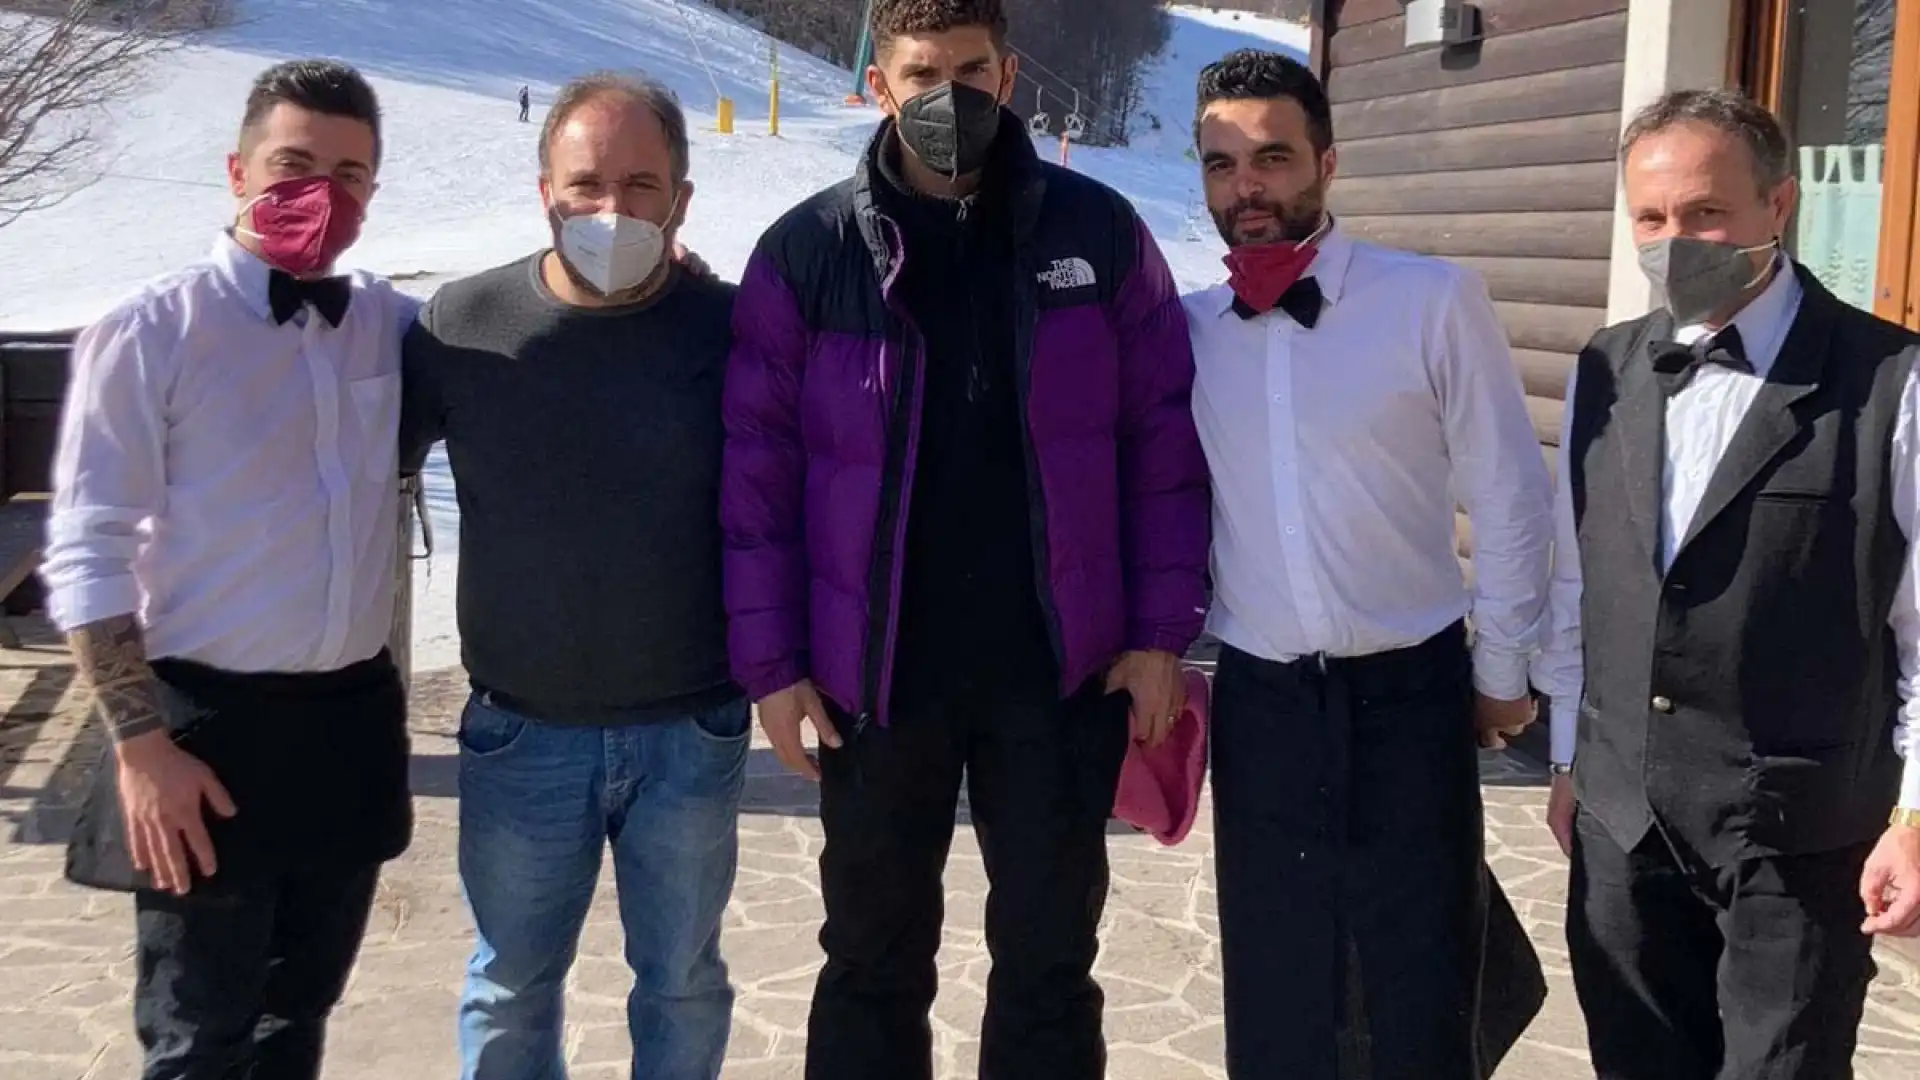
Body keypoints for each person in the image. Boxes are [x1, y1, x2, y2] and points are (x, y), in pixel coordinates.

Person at [720, 0, 1211, 1076]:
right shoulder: (807, 252)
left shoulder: (1098, 234)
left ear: (1011, 72)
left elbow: (1160, 440)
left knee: (1046, 957)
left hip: (1057, 669)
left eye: (973, 70)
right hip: (877, 678)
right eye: (922, 72)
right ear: (880, 86)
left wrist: (1162, 629)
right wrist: (775, 667)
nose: (951, 96)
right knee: (871, 954)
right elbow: (758, 473)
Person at [1532, 88, 1920, 1080]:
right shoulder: (1605, 367)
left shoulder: (1891, 383)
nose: (1677, 242)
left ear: (1778, 205)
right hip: (1626, 827)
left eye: (1706, 213)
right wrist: (1574, 757)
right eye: (1652, 220)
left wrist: (1917, 822)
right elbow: (1585, 581)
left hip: (1794, 836)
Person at [1183, 50, 1554, 1080]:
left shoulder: (1432, 300)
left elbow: (1512, 492)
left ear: (1328, 164)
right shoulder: (1187, 330)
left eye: (1272, 158)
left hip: (1411, 699)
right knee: (1276, 994)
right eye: (1220, 165)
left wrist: (1504, 672)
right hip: (1261, 705)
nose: (1246, 186)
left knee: (1422, 993)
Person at [46, 60, 416, 1080]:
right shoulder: (150, 331)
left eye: (350, 173)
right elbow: (88, 545)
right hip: (204, 734)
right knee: (196, 1037)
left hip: (348, 723)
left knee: (296, 1023)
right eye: (293, 164)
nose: (321, 194)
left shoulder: (386, 320)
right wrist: (138, 746)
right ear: (237, 170)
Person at [401, 73, 746, 1080]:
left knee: (681, 980)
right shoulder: (460, 327)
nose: (612, 210)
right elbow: (340, 472)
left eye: (643, 185)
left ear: (682, 198)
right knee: (510, 986)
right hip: (521, 732)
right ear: (543, 188)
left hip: (693, 728)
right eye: (587, 183)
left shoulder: (735, 331)